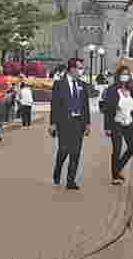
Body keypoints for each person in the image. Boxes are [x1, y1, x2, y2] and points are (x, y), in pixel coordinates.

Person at [50, 58, 91, 190]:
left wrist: (87, 123)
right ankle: (58, 169)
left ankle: (70, 180)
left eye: (81, 68)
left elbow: (86, 106)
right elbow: (54, 105)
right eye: (79, 68)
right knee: (64, 149)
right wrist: (52, 123)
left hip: (78, 122)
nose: (81, 70)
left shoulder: (82, 85)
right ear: (72, 69)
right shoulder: (59, 84)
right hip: (64, 122)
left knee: (76, 152)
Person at [103, 65, 133, 185]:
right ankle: (115, 176)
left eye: (127, 74)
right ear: (118, 75)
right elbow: (107, 109)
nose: (125, 76)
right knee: (117, 149)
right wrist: (107, 127)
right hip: (116, 123)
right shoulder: (112, 89)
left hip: (129, 122)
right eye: (123, 74)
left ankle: (118, 167)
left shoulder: (131, 89)